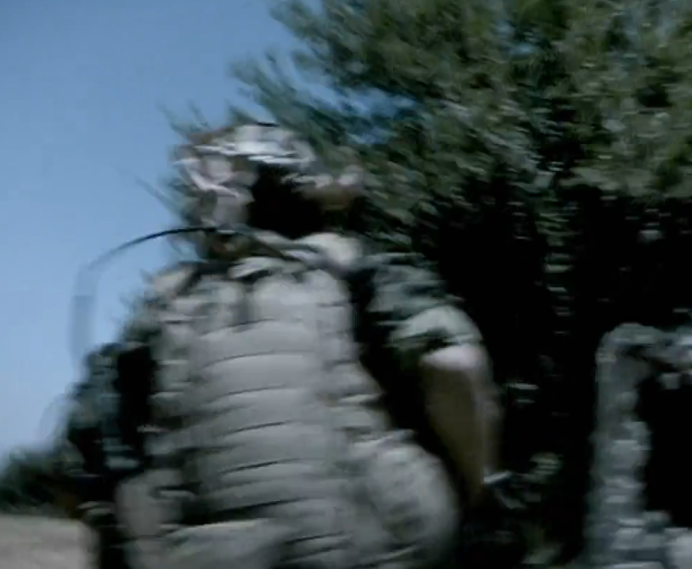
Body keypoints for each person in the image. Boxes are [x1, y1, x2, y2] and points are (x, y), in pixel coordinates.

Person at [60, 122, 504, 569]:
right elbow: (455, 365)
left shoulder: (163, 304)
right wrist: (476, 494)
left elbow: (87, 443)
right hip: (374, 546)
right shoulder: (354, 267)